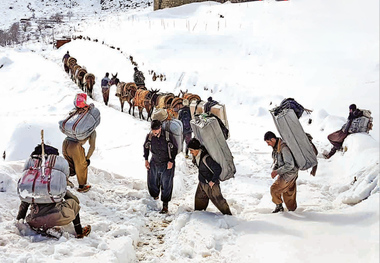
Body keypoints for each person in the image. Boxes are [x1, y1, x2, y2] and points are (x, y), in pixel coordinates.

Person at [16, 189, 91, 238]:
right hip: (56, 217)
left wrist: (19, 220)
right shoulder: (56, 181)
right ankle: (79, 232)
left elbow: (24, 203)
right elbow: (75, 200)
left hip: (35, 220)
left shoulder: (33, 183)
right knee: (73, 203)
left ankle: (44, 229)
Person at [187, 138, 232, 215]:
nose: (190, 152)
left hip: (211, 184)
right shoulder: (196, 156)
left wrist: (213, 181)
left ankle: (228, 216)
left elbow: (218, 169)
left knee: (218, 200)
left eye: (191, 150)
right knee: (199, 198)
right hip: (202, 182)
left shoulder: (207, 158)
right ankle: (198, 214)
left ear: (197, 149)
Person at [62, 94, 97, 193]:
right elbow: (92, 147)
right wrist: (87, 158)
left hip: (65, 143)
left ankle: (63, 180)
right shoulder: (91, 129)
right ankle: (82, 186)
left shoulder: (75, 114)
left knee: (69, 165)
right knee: (81, 165)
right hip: (75, 146)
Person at [143, 120, 178, 214]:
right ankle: (154, 198)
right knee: (152, 181)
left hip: (167, 162)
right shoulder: (150, 136)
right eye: (153, 130)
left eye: (156, 130)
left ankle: (165, 205)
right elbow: (145, 147)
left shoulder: (167, 136)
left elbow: (175, 148)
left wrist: (171, 161)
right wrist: (146, 159)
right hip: (154, 161)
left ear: (160, 128)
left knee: (166, 184)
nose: (154, 132)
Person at [264, 131, 298, 213]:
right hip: (291, 173)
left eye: (268, 142)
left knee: (274, 189)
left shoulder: (283, 148)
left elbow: (290, 165)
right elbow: (278, 161)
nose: (268, 144)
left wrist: (277, 171)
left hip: (289, 174)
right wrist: (274, 169)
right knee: (288, 191)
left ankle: (279, 207)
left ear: (273, 139)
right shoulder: (277, 147)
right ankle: (292, 210)